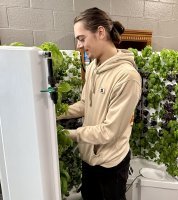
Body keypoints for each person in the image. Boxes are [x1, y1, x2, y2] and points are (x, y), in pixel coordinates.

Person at [58, 7, 142, 200]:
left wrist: (65, 135)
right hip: (89, 156)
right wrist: (55, 112)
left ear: (101, 32)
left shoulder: (127, 77)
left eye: (81, 38)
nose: (78, 45)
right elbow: (84, 104)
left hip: (110, 163)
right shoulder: (93, 66)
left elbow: (108, 132)